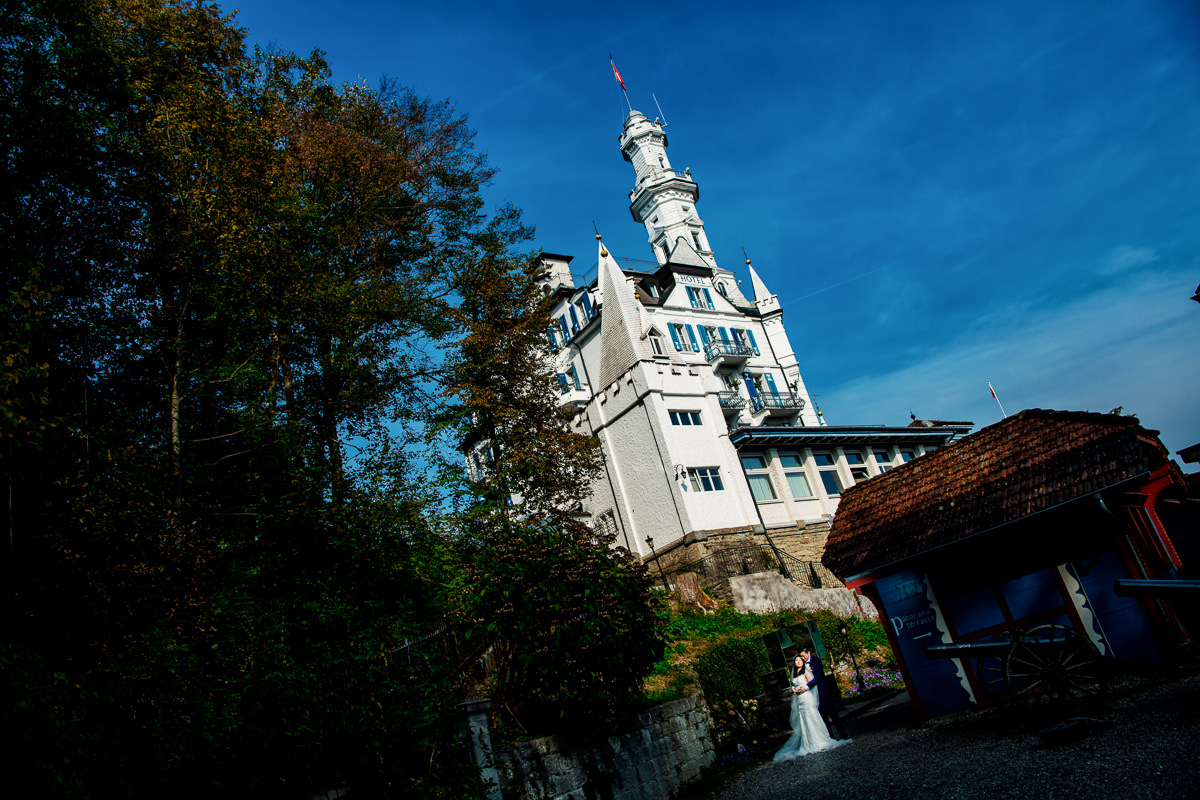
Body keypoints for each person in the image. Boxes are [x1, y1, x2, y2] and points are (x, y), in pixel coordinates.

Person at [773, 649, 850, 762]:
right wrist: (794, 688)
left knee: (831, 712)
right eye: (800, 658)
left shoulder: (816, 661)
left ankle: (842, 733)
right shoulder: (796, 671)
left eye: (803, 657)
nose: (802, 659)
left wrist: (806, 687)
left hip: (819, 692)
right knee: (819, 717)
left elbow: (818, 676)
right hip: (803, 699)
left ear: (808, 653)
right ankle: (826, 736)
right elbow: (794, 682)